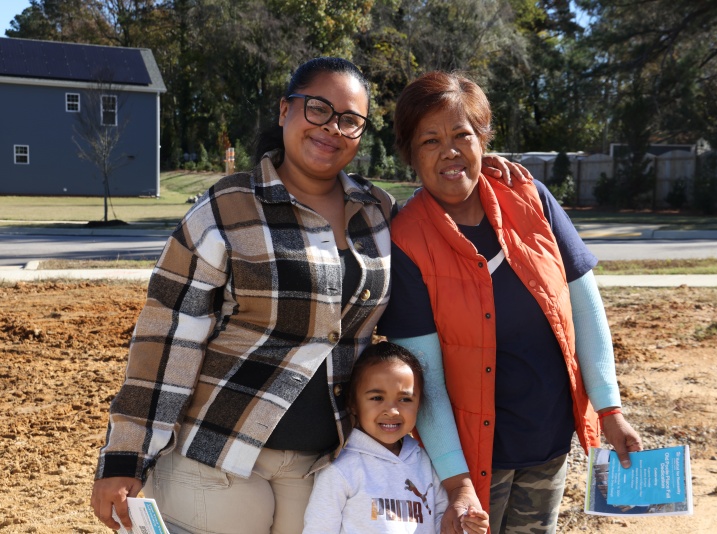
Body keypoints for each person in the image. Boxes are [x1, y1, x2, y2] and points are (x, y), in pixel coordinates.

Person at [90, 57, 528, 534]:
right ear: (285, 111)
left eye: (350, 121)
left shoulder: (378, 212)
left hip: (319, 466)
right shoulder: (225, 208)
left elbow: (443, 206)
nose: (332, 129)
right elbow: (165, 339)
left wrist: (488, 176)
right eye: (317, 109)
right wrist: (125, 457)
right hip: (218, 460)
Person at [377, 71, 643, 534]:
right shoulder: (406, 239)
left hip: (548, 440)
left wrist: (610, 410)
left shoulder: (531, 198)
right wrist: (457, 481)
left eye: (463, 134)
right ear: (410, 154)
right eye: (430, 140)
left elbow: (585, 307)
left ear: (483, 140)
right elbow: (425, 378)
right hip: (472, 459)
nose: (450, 151)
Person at [303, 341, 490, 533]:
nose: (392, 411)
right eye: (377, 398)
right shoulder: (339, 468)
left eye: (405, 399)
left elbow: (443, 525)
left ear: (419, 404)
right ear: (352, 403)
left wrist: (466, 525)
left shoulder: (425, 462)